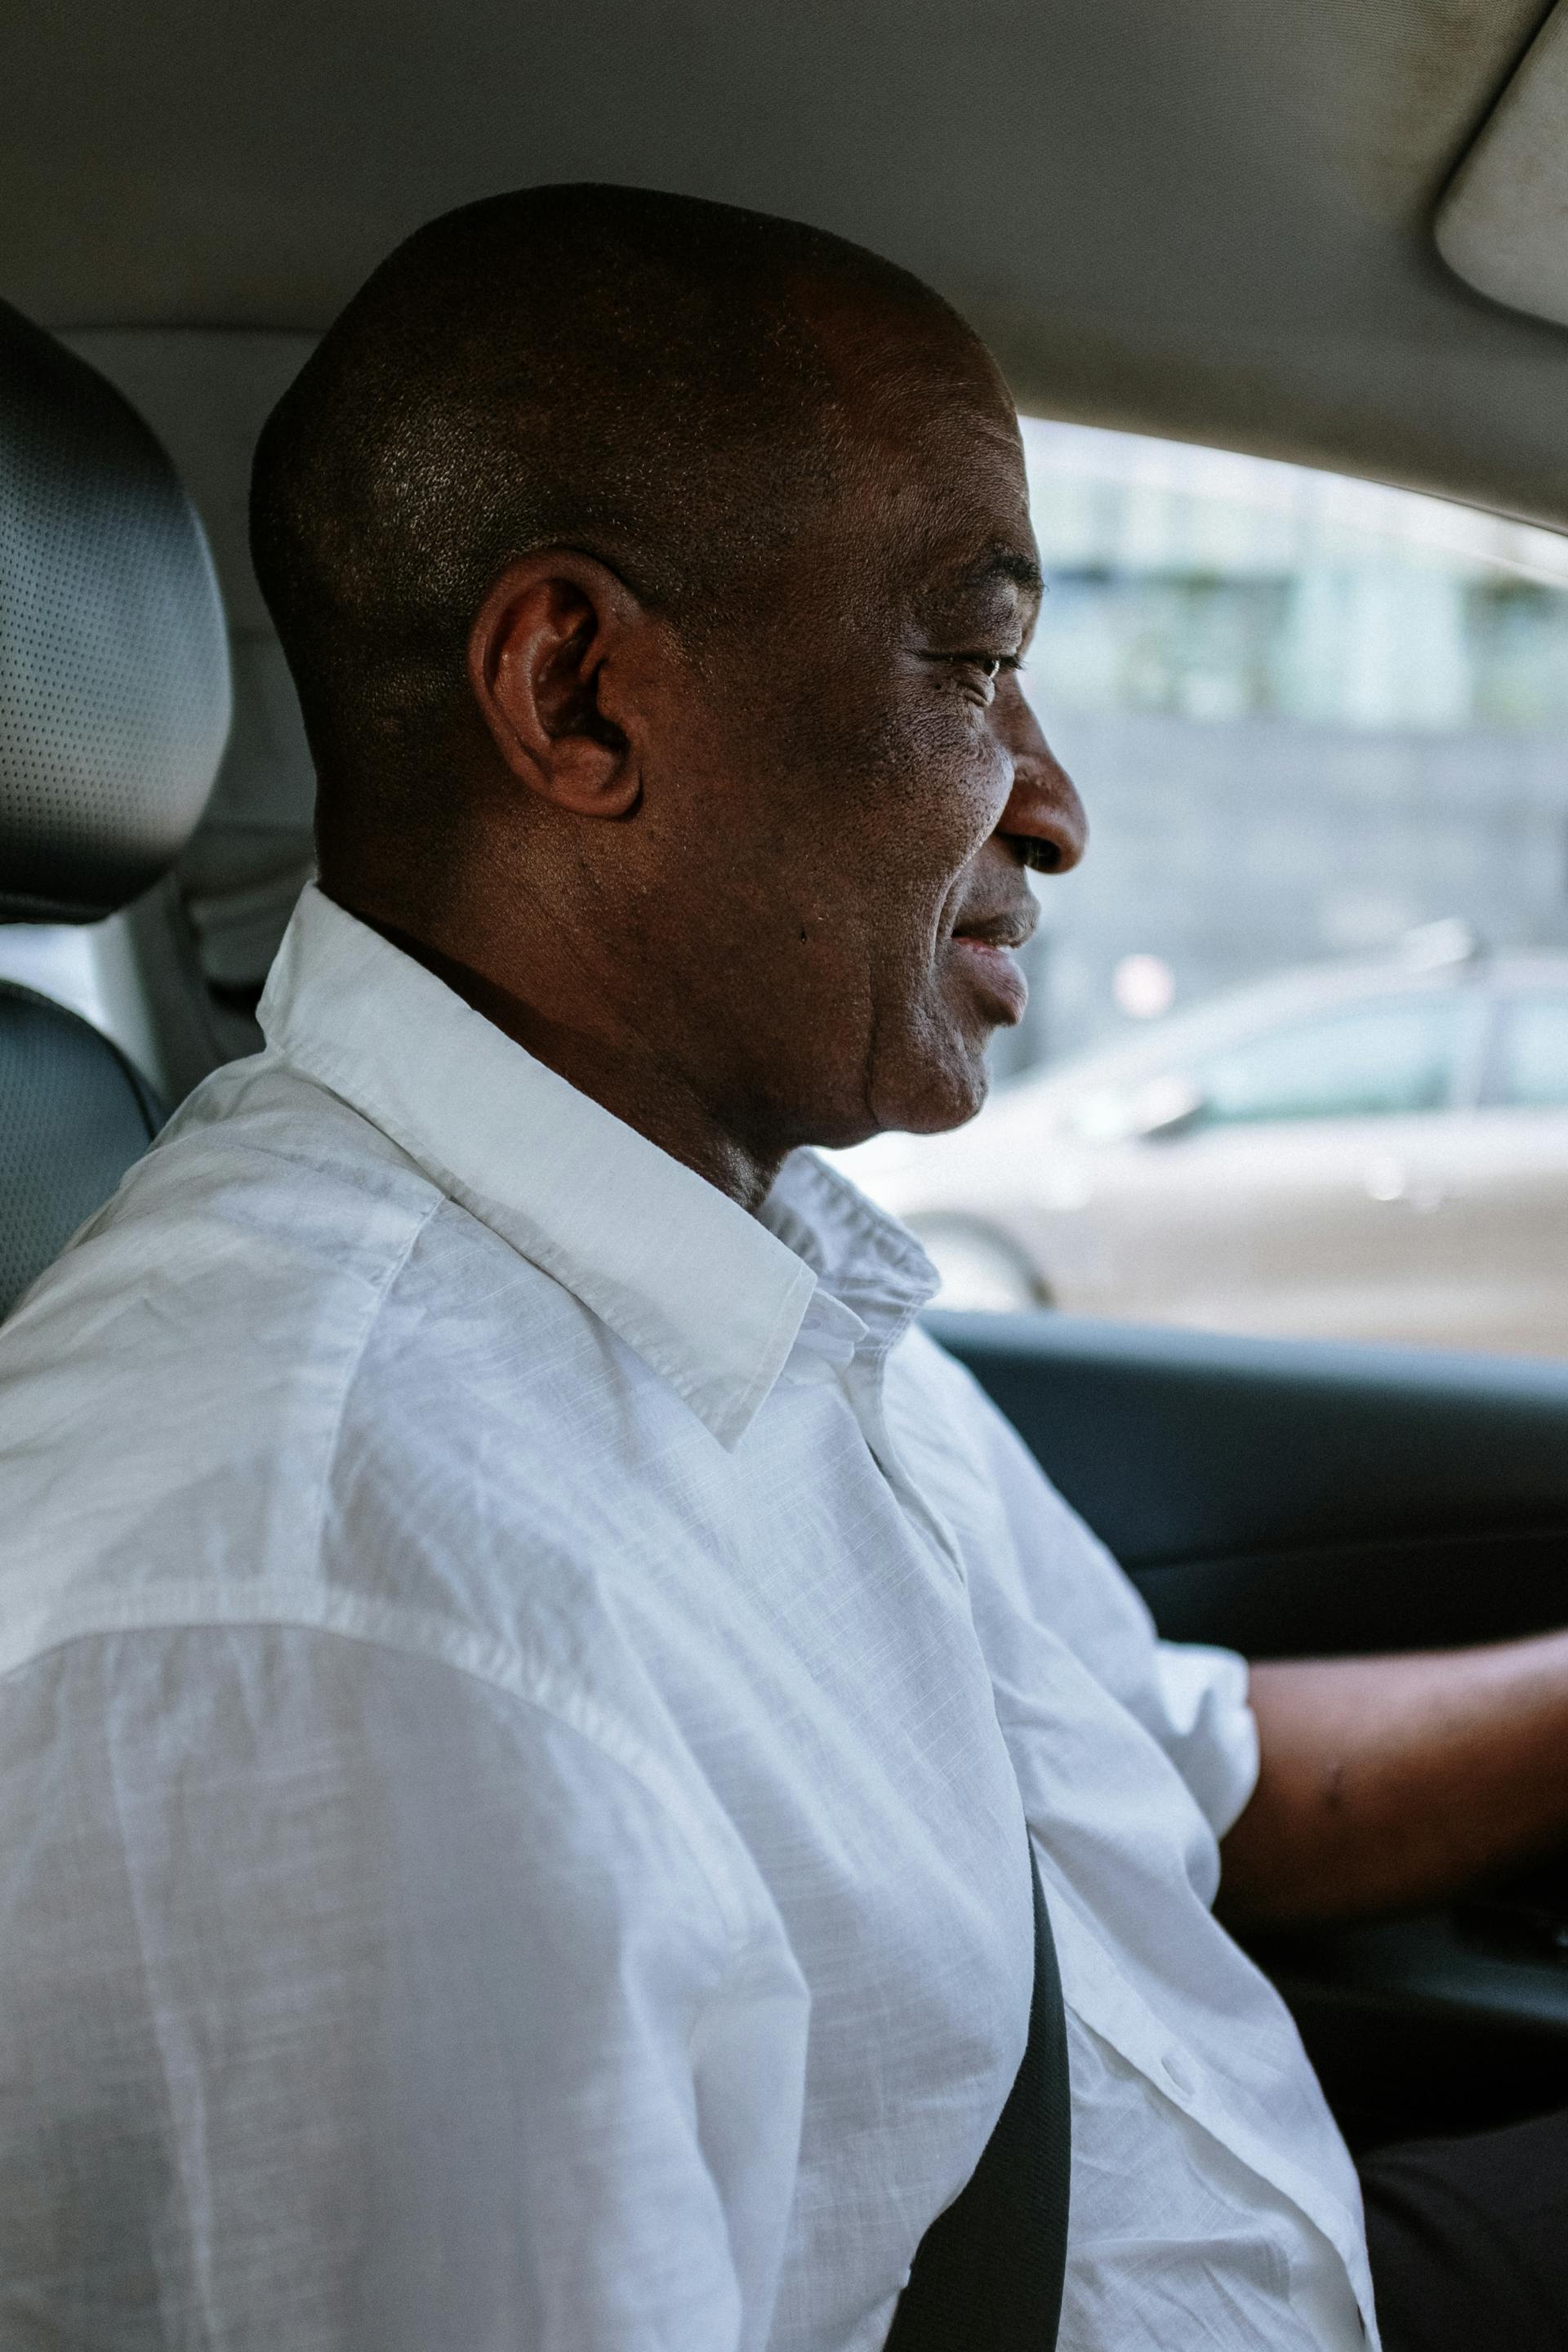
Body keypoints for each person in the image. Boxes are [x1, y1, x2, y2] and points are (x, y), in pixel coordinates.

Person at [0, 183, 1564, 2352]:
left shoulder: (748, 1268)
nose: (1055, 806)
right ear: (581, 697)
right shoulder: (347, 1599)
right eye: (974, 660)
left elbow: (1189, 1784)